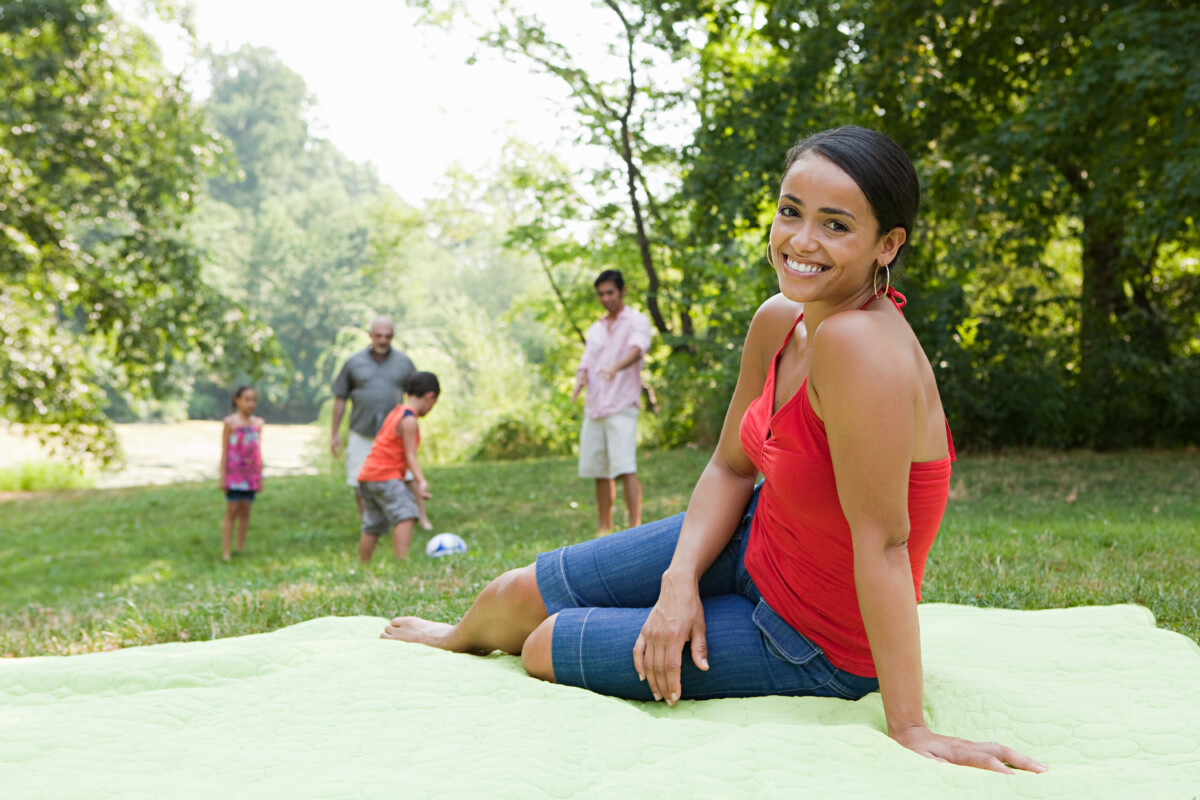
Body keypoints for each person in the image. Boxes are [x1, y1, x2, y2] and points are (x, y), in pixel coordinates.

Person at [379, 127, 1046, 774]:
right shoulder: (779, 320)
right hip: (755, 540)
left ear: (886, 244)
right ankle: (452, 639)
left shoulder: (861, 347)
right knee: (512, 595)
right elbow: (731, 466)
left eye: (836, 225)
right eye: (791, 212)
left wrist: (909, 725)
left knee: (545, 644)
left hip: (815, 639)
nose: (800, 241)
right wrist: (678, 584)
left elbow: (885, 545)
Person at [571, 270, 653, 535]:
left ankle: (634, 527)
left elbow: (637, 349)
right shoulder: (596, 328)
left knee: (625, 466)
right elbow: (587, 361)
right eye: (601, 294)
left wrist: (615, 367)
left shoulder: (636, 321)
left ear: (622, 291)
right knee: (600, 469)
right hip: (595, 406)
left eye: (610, 292)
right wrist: (580, 380)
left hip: (621, 404)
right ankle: (604, 527)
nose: (605, 298)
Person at [330, 317, 421, 525]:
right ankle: (369, 523)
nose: (383, 340)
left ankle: (406, 519)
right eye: (378, 336)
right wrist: (334, 434)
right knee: (359, 480)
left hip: (393, 435)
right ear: (370, 335)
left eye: (388, 336)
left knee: (403, 478)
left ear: (393, 337)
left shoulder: (404, 363)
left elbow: (416, 397)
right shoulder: (354, 362)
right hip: (362, 431)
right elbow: (340, 398)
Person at [356, 372, 440, 562]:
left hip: (368, 475)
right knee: (407, 514)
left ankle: (364, 563)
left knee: (373, 523)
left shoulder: (397, 412)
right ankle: (401, 561)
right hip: (385, 475)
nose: (431, 408)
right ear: (429, 397)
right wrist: (421, 481)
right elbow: (410, 455)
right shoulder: (409, 420)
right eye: (433, 403)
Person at [219, 385, 263, 561]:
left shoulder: (258, 424)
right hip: (234, 474)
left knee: (246, 510)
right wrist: (223, 475)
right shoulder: (230, 423)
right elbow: (224, 451)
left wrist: (260, 476)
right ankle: (226, 551)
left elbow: (258, 451)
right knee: (232, 511)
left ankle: (239, 548)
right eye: (247, 399)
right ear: (237, 400)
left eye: (253, 400)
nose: (251, 403)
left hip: (251, 474)